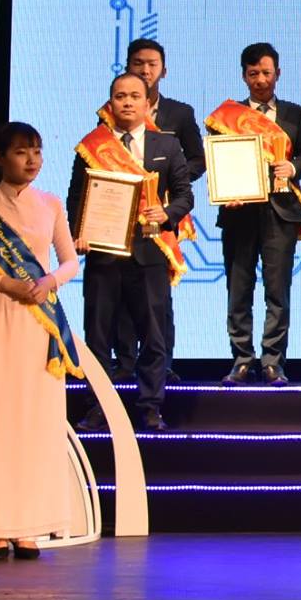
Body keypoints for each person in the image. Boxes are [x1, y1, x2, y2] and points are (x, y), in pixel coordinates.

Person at [0, 122, 90, 557]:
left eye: (37, 152)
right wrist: (2, 283)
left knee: (34, 419)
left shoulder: (50, 204)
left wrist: (49, 281)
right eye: (22, 152)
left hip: (38, 319)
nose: (32, 160)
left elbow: (69, 262)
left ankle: (30, 525)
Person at [69, 73, 193, 432]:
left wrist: (166, 213)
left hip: (149, 254)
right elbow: (76, 198)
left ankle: (151, 406)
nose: (127, 102)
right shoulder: (92, 146)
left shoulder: (167, 145)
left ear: (146, 103)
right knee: (98, 336)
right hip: (103, 254)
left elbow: (185, 195)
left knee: (153, 334)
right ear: (111, 102)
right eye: (120, 96)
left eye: (134, 96)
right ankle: (98, 407)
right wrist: (79, 233)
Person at [208, 42, 301, 385]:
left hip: (280, 213)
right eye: (253, 73)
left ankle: (272, 361)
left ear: (277, 74)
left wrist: (293, 167)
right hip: (239, 214)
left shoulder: (294, 114)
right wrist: (228, 191)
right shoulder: (226, 117)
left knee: (277, 291)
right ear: (244, 76)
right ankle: (242, 359)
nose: (260, 80)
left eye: (266, 73)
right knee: (238, 290)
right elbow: (217, 160)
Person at [107, 37, 204, 379]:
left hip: (162, 215)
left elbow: (197, 159)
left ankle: (161, 365)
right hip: (121, 217)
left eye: (152, 64)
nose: (145, 70)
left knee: (157, 295)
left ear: (164, 70)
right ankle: (125, 362)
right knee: (121, 293)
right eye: (138, 63)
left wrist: (168, 186)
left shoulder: (180, 113)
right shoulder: (110, 113)